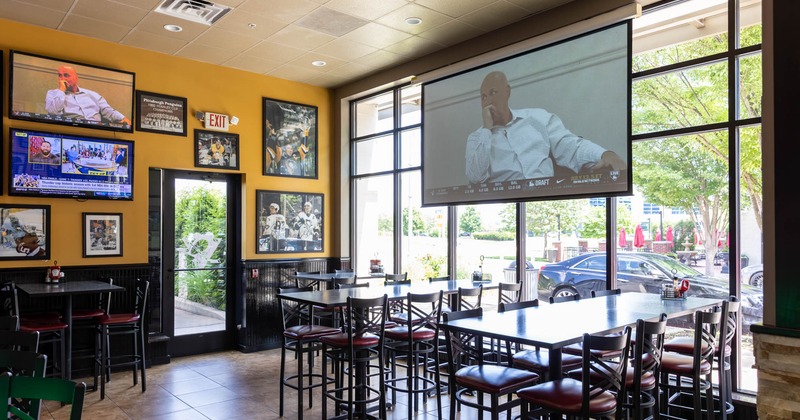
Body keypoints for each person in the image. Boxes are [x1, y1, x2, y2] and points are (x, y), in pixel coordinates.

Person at [465, 71, 626, 184]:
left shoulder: (537, 119)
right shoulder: (476, 138)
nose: (488, 101)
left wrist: (605, 154)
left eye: (493, 92)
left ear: (507, 92)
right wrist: (486, 129)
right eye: (483, 97)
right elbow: (475, 177)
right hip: (505, 203)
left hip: (545, 198)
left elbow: (570, 147)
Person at [45, 65, 131, 126]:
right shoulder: (53, 93)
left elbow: (108, 111)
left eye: (66, 75)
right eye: (60, 75)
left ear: (76, 77)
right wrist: (61, 91)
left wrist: (123, 117)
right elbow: (52, 113)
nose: (62, 79)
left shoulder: (93, 95)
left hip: (96, 130)